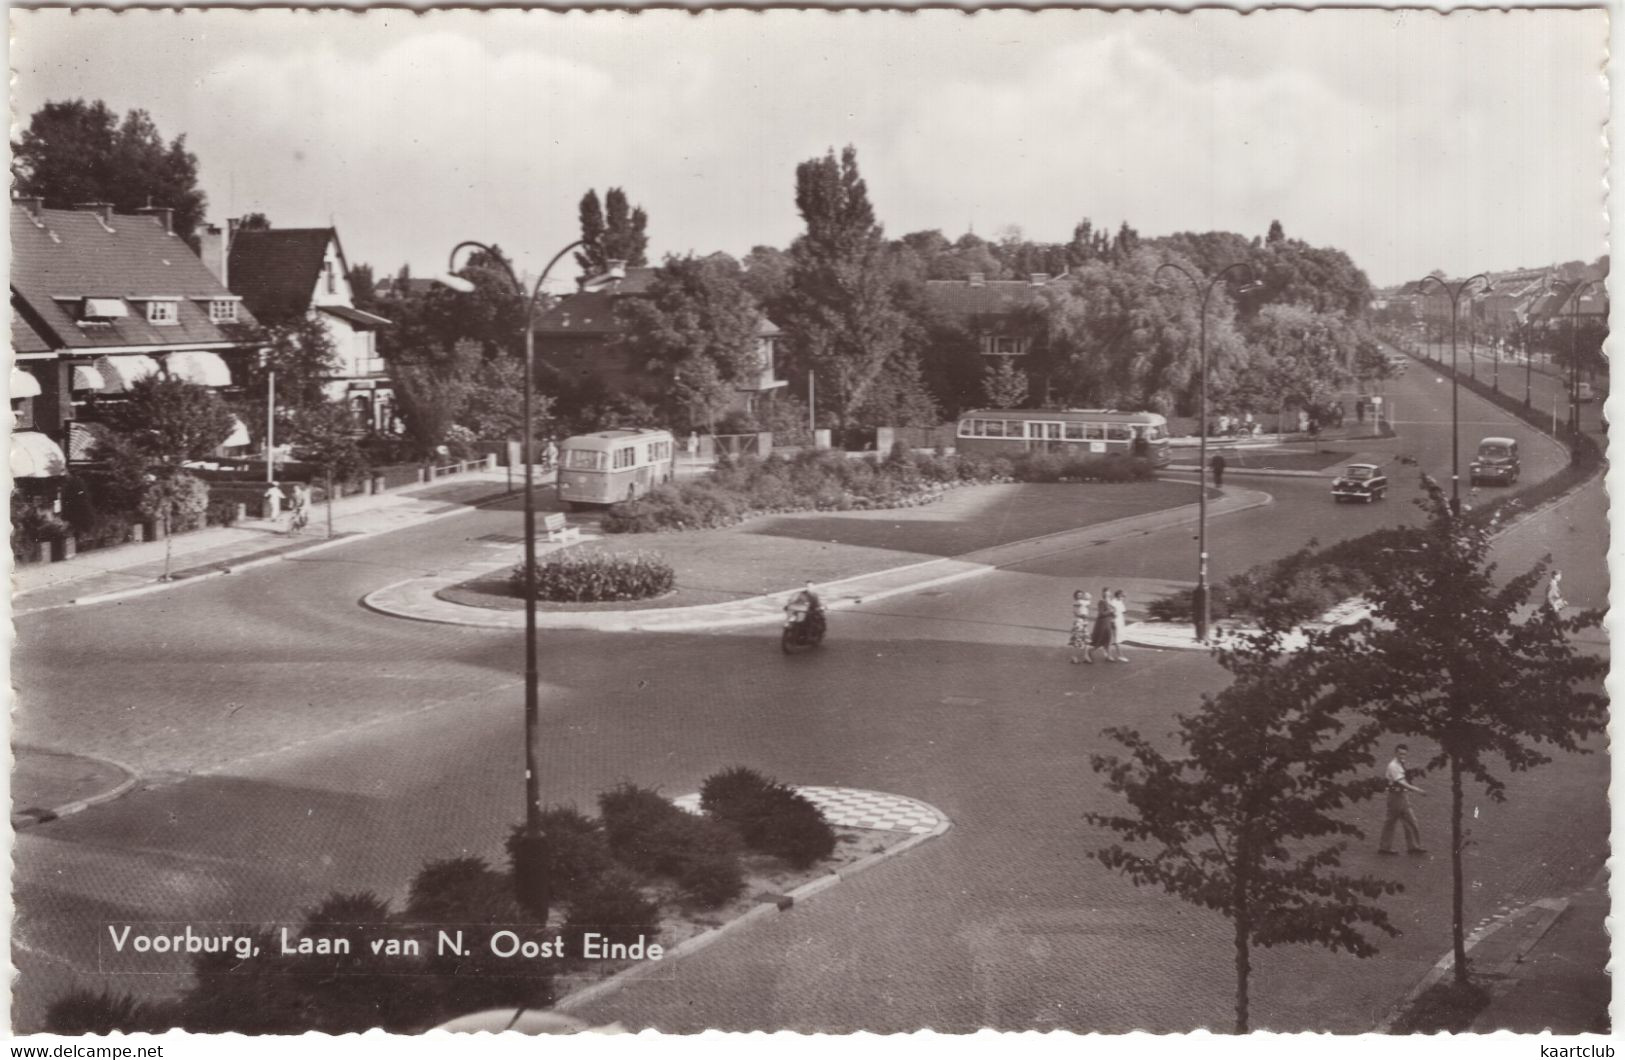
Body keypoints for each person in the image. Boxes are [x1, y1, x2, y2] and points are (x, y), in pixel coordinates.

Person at [1378, 744, 1427, 855]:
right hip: (1395, 797)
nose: (1402, 756)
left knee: (1409, 821)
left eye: (1404, 754)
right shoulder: (1393, 766)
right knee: (1392, 822)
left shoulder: (1400, 764)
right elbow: (1402, 783)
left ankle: (1412, 846)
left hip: (1401, 796)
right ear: (1395, 753)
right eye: (1400, 753)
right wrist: (1417, 790)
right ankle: (1386, 847)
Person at [1068, 590, 1093, 664]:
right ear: (1075, 596)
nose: (1080, 596)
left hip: (1084, 622)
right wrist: (1082, 615)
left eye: (1081, 595)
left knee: (1086, 640)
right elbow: (1075, 612)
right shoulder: (1077, 602)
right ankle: (1074, 657)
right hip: (1078, 622)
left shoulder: (1082, 602)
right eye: (1079, 595)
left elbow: (1088, 603)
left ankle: (1086, 656)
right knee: (1077, 640)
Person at [1089, 593, 1114, 661]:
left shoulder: (1109, 603)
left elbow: (1111, 613)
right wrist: (1110, 611)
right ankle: (1091, 651)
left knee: (1108, 640)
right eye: (1108, 595)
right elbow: (1101, 613)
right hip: (1103, 624)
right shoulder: (1101, 602)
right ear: (1105, 596)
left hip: (1108, 623)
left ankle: (1108, 656)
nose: (1109, 597)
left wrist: (1113, 613)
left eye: (1109, 595)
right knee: (1102, 640)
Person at [1108, 589, 1130, 663]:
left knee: (1117, 639)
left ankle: (1109, 654)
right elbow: (1111, 613)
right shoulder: (1113, 602)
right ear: (1118, 595)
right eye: (1122, 596)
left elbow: (1123, 611)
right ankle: (1120, 655)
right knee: (1116, 639)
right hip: (1115, 622)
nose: (1123, 598)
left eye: (1124, 597)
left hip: (1120, 622)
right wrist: (1113, 621)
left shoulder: (1120, 602)